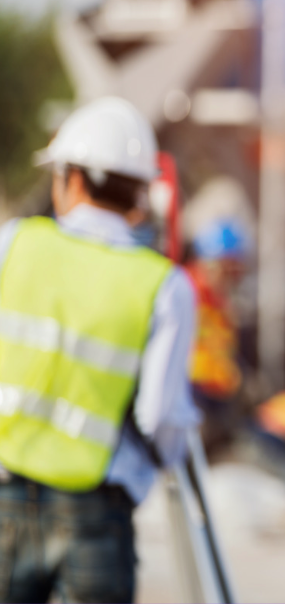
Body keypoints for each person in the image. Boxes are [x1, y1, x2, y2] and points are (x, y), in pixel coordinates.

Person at [0, 97, 197, 603]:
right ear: (138, 193)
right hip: (96, 511)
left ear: (73, 179)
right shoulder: (163, 286)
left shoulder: (14, 244)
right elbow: (159, 417)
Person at [187, 217, 248, 448]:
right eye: (230, 267)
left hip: (217, 393)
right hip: (195, 392)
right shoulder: (188, 290)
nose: (234, 275)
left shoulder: (219, 299)